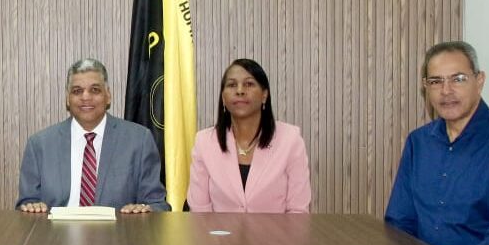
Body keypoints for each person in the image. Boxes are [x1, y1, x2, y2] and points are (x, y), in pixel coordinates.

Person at [385, 40, 489, 245]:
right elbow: (399, 222)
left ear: (479, 81)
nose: (446, 91)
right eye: (436, 81)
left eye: (458, 79)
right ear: (426, 86)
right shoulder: (419, 142)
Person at [17, 58, 169, 213]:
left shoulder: (139, 140)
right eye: (77, 91)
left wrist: (143, 210)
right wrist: (32, 208)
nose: (86, 97)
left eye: (95, 90)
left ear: (108, 95)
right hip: (57, 234)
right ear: (68, 98)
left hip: (119, 234)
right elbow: (26, 204)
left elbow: (158, 205)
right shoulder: (40, 145)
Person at [188, 59, 311, 213]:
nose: (240, 90)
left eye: (249, 84)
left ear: (264, 95)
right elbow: (199, 213)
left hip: (276, 236)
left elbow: (298, 212)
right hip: (219, 236)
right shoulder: (204, 142)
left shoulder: (290, 140)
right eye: (232, 85)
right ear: (223, 98)